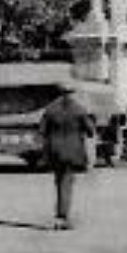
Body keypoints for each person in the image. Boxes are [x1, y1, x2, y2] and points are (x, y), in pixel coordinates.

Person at [39, 88, 97, 230]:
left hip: (55, 150)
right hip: (72, 151)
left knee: (59, 182)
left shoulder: (50, 110)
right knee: (66, 183)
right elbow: (90, 130)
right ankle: (62, 217)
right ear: (72, 94)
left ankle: (61, 215)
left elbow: (42, 130)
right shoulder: (79, 109)